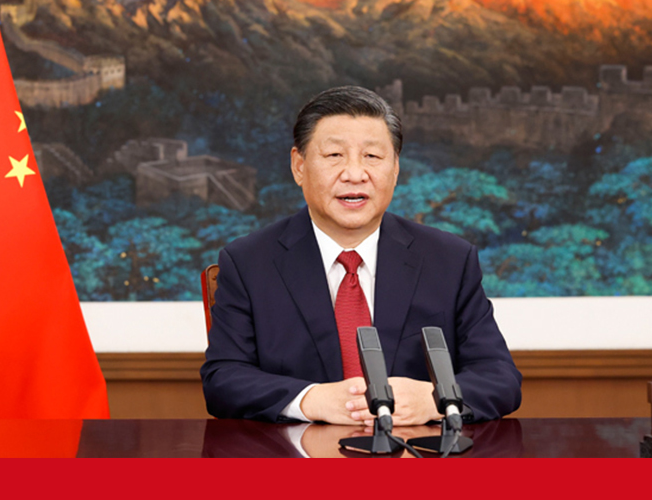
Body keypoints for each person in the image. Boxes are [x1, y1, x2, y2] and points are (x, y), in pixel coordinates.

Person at [200, 86, 522, 425]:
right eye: (334, 155)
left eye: (372, 156)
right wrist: (310, 399)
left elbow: (500, 377)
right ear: (299, 166)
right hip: (296, 453)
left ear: (395, 169)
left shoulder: (449, 260)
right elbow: (224, 379)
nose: (355, 174)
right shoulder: (249, 263)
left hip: (415, 453)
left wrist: (434, 400)